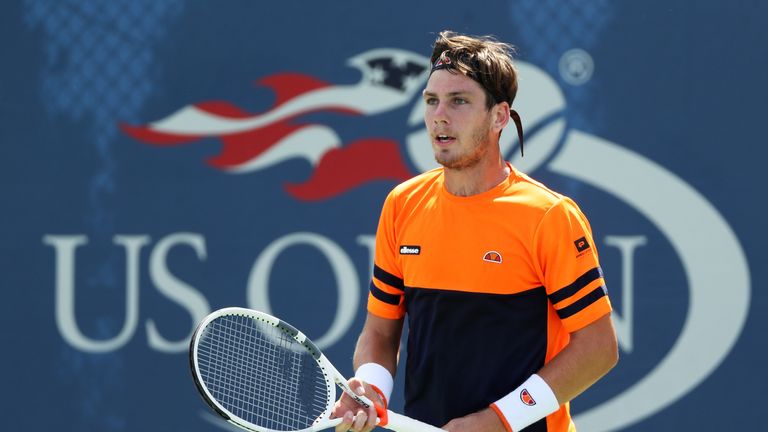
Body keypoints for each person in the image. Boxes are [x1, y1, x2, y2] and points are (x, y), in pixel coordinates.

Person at [332, 30, 618, 432]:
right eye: (431, 101)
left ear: (499, 116)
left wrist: (500, 420)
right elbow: (380, 330)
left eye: (459, 101)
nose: (439, 116)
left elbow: (598, 349)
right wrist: (373, 386)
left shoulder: (548, 215)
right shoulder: (402, 204)